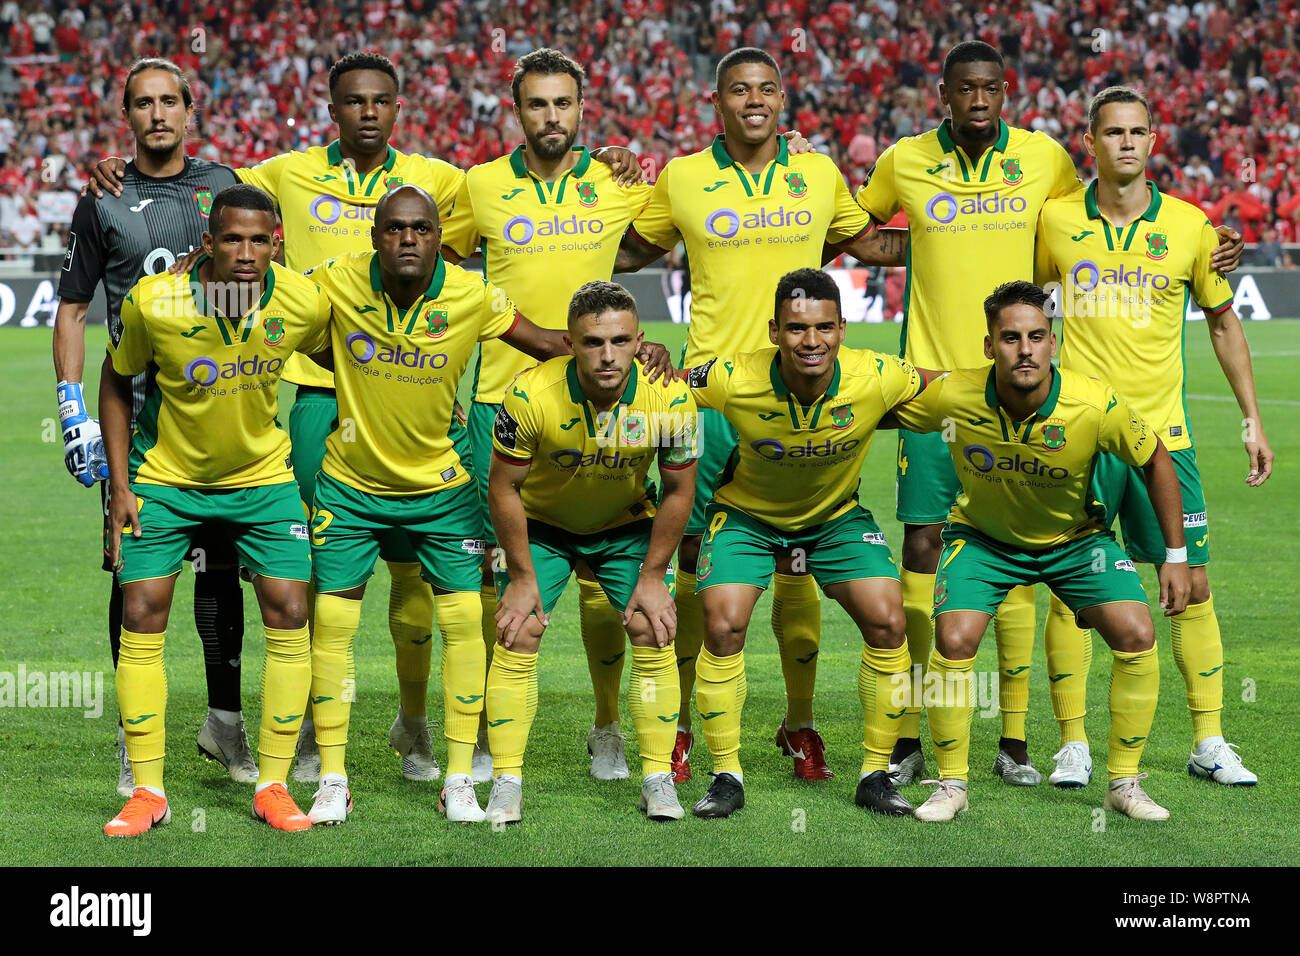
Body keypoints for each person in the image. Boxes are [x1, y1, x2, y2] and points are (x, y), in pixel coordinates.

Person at [88, 51, 648, 786]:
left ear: (398, 107)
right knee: (317, 571)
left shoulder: (449, 182)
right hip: (321, 394)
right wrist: (121, 173)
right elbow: (211, 192)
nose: (368, 113)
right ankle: (318, 734)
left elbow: (529, 254)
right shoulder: (287, 172)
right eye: (353, 102)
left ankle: (420, 723)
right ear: (333, 109)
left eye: (381, 101)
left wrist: (613, 161)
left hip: (423, 397)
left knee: (430, 568)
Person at [855, 41, 1242, 786]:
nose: (978, 101)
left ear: (1005, 94)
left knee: (1032, 550)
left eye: (991, 89)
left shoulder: (1045, 161)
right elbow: (858, 232)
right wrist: (923, 238)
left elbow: (1096, 210)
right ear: (942, 94)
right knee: (929, 553)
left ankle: (1019, 737)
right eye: (965, 89)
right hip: (946, 390)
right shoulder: (904, 160)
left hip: (1035, 394)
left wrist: (1213, 244)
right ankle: (910, 731)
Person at [299, 185, 673, 825]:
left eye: (421, 228)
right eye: (394, 228)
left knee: (467, 623)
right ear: (374, 235)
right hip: (351, 483)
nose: (408, 239)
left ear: (441, 237)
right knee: (332, 626)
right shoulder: (332, 281)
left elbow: (553, 343)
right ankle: (331, 776)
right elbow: (267, 313)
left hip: (443, 487)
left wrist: (637, 351)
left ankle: (459, 779)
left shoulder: (471, 294)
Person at [617, 47, 905, 784]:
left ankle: (800, 723)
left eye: (766, 89)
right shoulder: (683, 176)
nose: (754, 100)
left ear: (784, 98)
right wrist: (599, 177)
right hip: (709, 398)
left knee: (799, 557)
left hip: (805, 387)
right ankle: (683, 726)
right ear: (717, 101)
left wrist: (977, 226)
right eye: (738, 89)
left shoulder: (816, 173)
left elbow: (873, 244)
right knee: (696, 566)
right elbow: (622, 252)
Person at [1035, 86, 1272, 787]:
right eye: (1113, 133)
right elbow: (1023, 304)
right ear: (1091, 142)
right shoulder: (1053, 222)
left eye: (1138, 131)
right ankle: (1073, 744)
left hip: (1166, 437)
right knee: (1071, 590)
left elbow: (1224, 324)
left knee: (1192, 587)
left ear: (1155, 140)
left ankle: (1209, 740)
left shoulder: (1193, 227)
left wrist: (1251, 417)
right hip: (1077, 436)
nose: (1127, 143)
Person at [889, 280, 1189, 822]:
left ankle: (1124, 782)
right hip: (982, 540)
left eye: (1036, 337)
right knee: (954, 640)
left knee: (1137, 632)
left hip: (1076, 544)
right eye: (1010, 338)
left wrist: (1175, 554)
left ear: (1053, 343)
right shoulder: (955, 395)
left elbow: (1157, 459)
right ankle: (950, 784)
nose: (1024, 349)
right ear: (989, 346)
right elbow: (878, 408)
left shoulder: (1093, 402)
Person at [440, 49, 655, 782]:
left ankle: (606, 725)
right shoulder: (482, 185)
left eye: (564, 104)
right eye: (538, 105)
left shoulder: (614, 180)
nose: (552, 117)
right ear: (517, 109)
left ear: (582, 107)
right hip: (501, 401)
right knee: (491, 578)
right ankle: (477, 733)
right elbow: (438, 264)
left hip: (600, 402)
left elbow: (671, 228)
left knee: (599, 577)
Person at [99, 183, 333, 834]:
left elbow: (336, 346)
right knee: (142, 611)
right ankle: (147, 789)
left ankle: (275, 785)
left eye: (260, 239)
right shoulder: (158, 300)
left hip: (261, 478)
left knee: (290, 608)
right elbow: (117, 379)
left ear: (277, 243)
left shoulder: (300, 298)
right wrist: (120, 486)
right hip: (166, 476)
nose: (247, 252)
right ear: (207, 244)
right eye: (232, 239)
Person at [53, 57, 252, 795]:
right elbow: (72, 310)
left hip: (214, 414)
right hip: (131, 423)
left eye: (171, 100)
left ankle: (224, 722)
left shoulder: (223, 185)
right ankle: (135, 735)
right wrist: (72, 409)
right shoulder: (102, 198)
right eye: (144, 103)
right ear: (127, 114)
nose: (158, 113)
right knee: (134, 575)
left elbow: (252, 286)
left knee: (222, 567)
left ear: (191, 109)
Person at [684, 268, 927, 819]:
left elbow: (952, 390)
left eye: (822, 328)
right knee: (722, 624)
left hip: (834, 519)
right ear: (774, 331)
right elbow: (664, 387)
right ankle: (726, 773)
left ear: (842, 327)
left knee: (890, 620)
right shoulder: (730, 376)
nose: (810, 341)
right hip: (746, 516)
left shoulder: (879, 374)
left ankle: (874, 774)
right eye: (796, 329)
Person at [487, 280, 698, 823]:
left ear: (639, 340)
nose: (608, 355)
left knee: (654, 626)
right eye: (592, 343)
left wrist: (654, 575)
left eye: (620, 341)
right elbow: (503, 487)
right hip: (543, 525)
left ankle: (657, 778)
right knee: (518, 627)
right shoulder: (529, 394)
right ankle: (507, 780)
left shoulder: (671, 397)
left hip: (623, 525)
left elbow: (678, 491)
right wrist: (519, 575)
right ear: (571, 343)